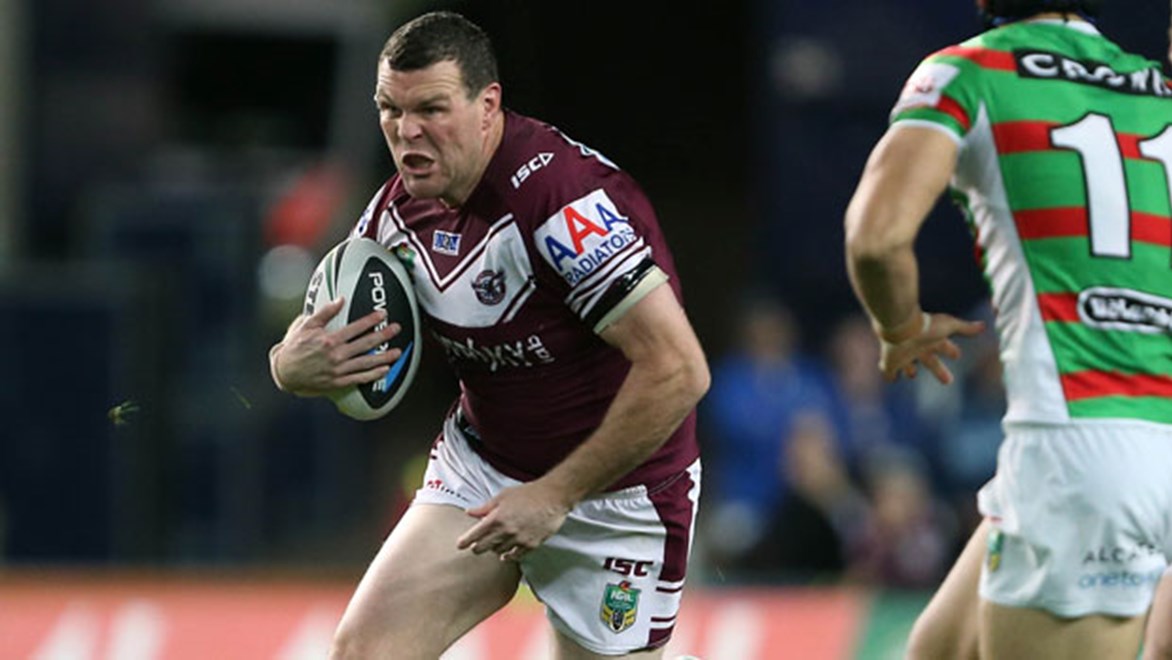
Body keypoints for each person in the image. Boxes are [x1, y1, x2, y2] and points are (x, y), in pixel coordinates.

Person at [268, 11, 709, 659]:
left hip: (616, 500)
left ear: (488, 106)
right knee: (363, 652)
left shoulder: (562, 202)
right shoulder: (398, 212)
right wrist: (290, 364)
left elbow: (679, 370)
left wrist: (556, 494)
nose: (406, 131)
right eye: (390, 108)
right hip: (482, 470)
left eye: (431, 109)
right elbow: (323, 331)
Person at [844, 0, 1172, 658]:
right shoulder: (1156, 89)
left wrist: (901, 326)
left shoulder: (969, 72)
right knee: (940, 650)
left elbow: (876, 240)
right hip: (1152, 433)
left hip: (1082, 443)